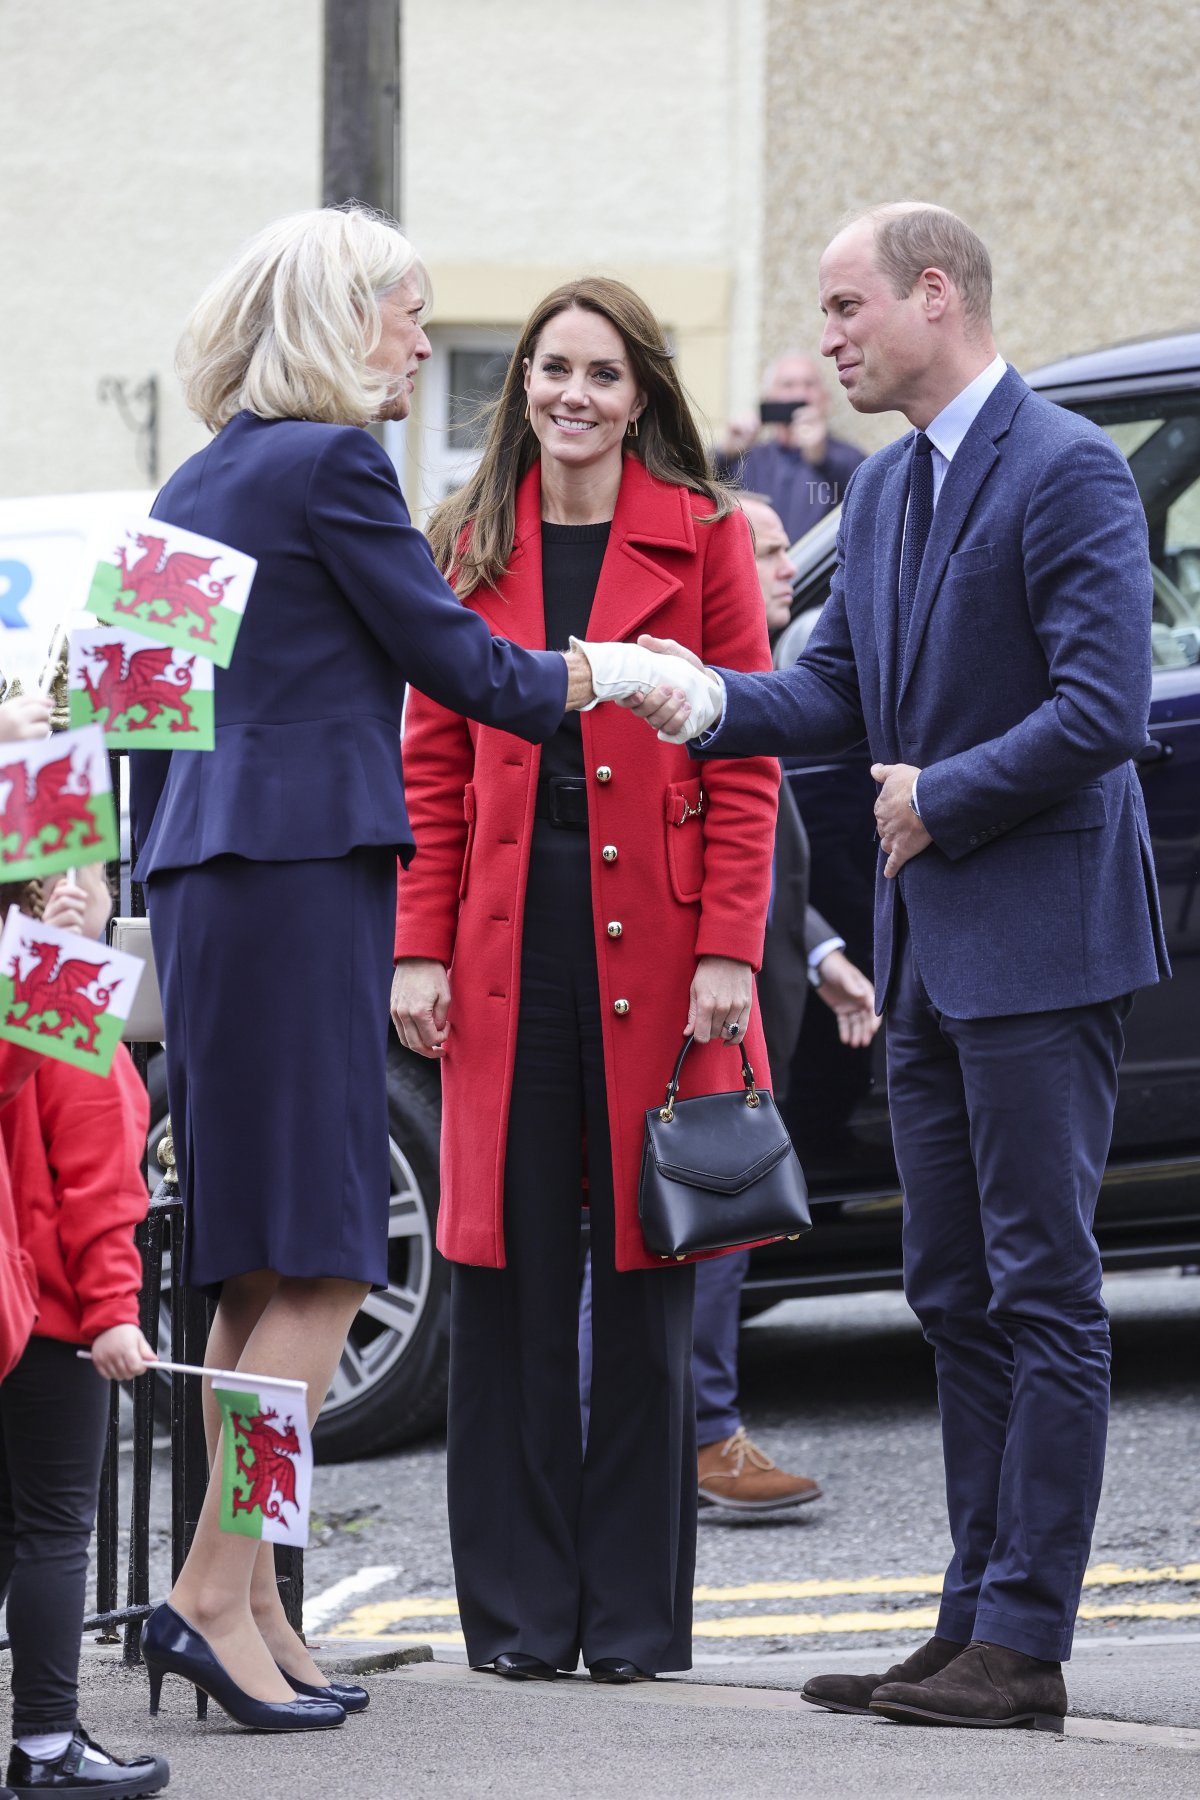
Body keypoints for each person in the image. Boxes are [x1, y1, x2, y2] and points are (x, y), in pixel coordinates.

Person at [627, 203, 1167, 1728]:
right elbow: (839, 686)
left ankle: (1030, 1642)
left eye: (851, 305)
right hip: (933, 952)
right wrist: (704, 702)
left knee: (1043, 1287)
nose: (836, 334)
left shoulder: (1064, 469)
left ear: (940, 296)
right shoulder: (896, 488)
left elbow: (1104, 707)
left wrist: (939, 793)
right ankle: (969, 1618)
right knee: (951, 1284)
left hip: (1043, 941)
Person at [129, 206, 608, 1733]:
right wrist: (622, 677)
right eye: (407, 315)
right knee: (330, 1251)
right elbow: (461, 664)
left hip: (207, 883)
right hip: (297, 882)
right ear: (346, 323)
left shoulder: (198, 474)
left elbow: (139, 707)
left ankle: (252, 1592)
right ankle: (213, 1593)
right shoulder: (333, 466)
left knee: (258, 1261)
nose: (421, 341)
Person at [392, 276, 779, 1683]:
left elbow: (746, 753)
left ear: (641, 395)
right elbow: (431, 765)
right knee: (501, 1274)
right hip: (500, 938)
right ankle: (514, 1620)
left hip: (663, 942)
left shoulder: (709, 536)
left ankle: (629, 1623)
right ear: (524, 389)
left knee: (643, 1275)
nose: (572, 393)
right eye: (552, 369)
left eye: (601, 374)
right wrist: (417, 942)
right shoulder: (465, 542)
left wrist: (733, 947)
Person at [578, 489, 881, 1515]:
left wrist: (822, 951)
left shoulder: (753, 678)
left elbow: (769, 851)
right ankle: (694, 1436)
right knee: (698, 1210)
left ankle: (686, 1429)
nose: (788, 563)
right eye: (764, 548)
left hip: (758, 988)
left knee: (715, 1215)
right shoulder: (695, 686)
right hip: (705, 990)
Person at [0, 865, 168, 1799]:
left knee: (8, 1530)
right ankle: (44, 1743)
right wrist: (112, 1313)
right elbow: (102, 1189)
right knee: (58, 1531)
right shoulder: (71, 1017)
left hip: (5, 1309)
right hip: (60, 1319)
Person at [714, 353, 864, 543]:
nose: (799, 394)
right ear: (768, 398)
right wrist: (724, 455)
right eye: (788, 385)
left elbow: (862, 504)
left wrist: (823, 460)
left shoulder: (848, 459)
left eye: (809, 385)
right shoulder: (749, 459)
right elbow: (701, 497)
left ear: (825, 400)